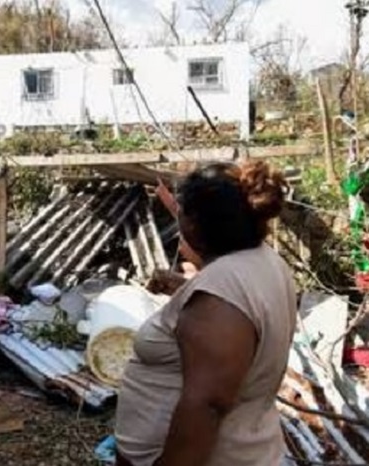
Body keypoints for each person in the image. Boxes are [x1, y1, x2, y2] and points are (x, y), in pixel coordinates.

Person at [115, 160, 297, 466]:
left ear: (195, 224)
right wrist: (183, 288)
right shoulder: (263, 261)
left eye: (181, 210)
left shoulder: (220, 293)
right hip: (249, 448)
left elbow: (208, 405)